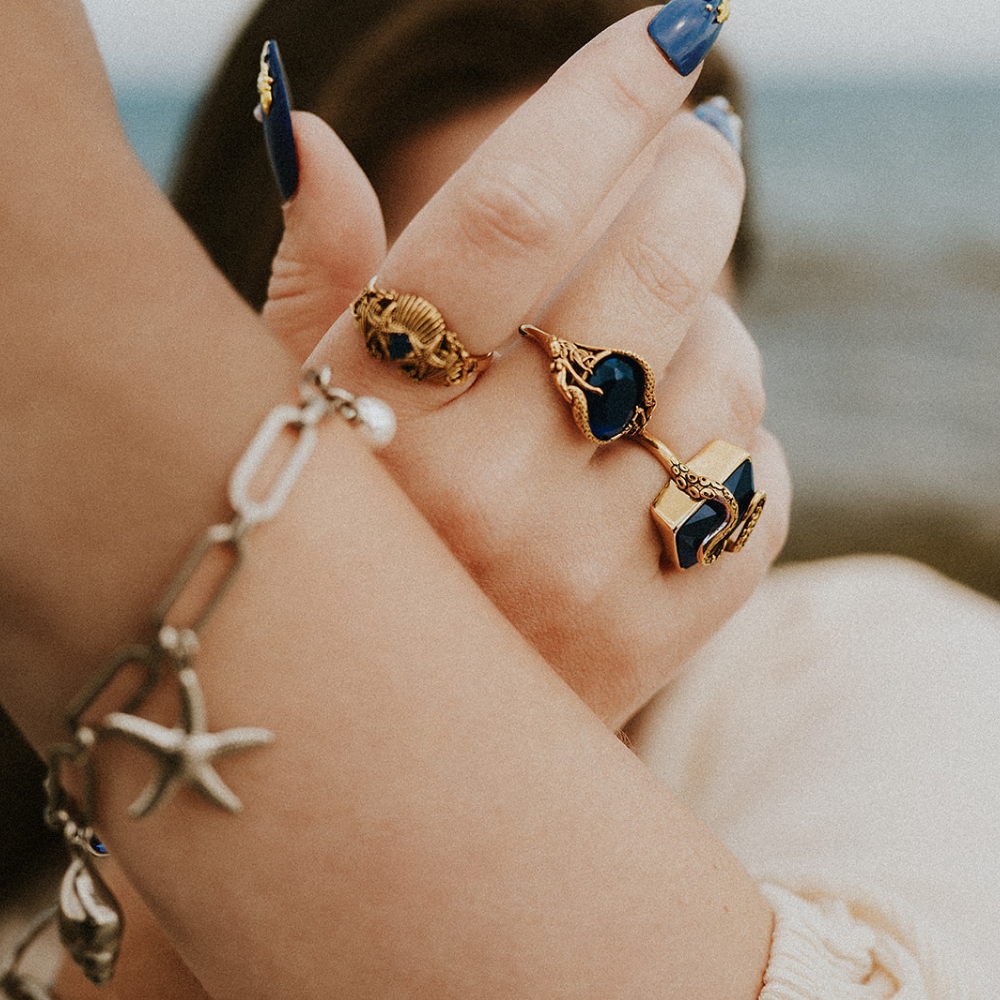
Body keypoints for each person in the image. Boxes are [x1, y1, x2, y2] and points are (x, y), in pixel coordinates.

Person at [2, 4, 997, 1000]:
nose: (561, 432)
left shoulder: (885, 664)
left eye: (652, 302)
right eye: (463, 343)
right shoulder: (49, 752)